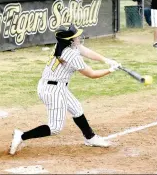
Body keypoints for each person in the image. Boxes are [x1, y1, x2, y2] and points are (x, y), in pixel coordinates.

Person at [9, 24, 121, 155]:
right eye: (76, 36)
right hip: (52, 91)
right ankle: (21, 136)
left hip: (53, 86)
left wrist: (106, 60)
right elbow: (91, 74)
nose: (78, 37)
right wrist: (110, 70)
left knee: (76, 108)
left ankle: (90, 137)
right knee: (55, 128)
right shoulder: (70, 55)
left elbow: (85, 51)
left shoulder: (64, 46)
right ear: (70, 40)